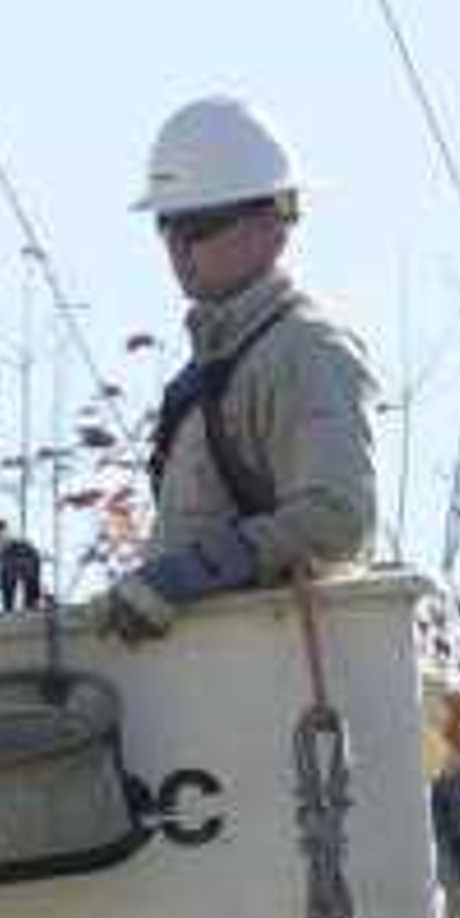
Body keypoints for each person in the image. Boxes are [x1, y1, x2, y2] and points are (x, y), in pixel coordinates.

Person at [80, 94, 382, 639]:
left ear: (275, 220)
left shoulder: (305, 350)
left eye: (198, 225)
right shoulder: (212, 369)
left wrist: (197, 572)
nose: (178, 247)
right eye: (166, 226)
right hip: (215, 676)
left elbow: (337, 516)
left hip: (278, 676)